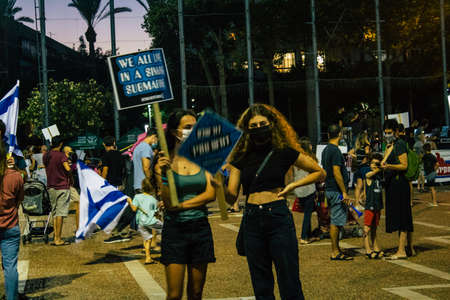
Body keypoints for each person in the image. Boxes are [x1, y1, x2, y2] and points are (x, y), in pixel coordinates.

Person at [225, 104, 326, 299]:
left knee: (289, 281)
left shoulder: (283, 150)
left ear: (272, 124)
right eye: (253, 126)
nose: (258, 128)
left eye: (263, 123)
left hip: (278, 216)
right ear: (246, 129)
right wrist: (217, 185)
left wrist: (293, 186)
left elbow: (320, 172)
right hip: (252, 219)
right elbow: (232, 196)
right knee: (261, 284)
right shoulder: (241, 155)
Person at [155, 108, 217, 300]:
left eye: (195, 127)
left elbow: (210, 194)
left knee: (196, 293)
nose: (193, 130)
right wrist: (162, 174)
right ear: (174, 132)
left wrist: (181, 206)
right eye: (188, 127)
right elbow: (167, 201)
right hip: (175, 231)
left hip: (200, 229)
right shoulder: (164, 161)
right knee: (174, 295)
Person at [381, 119, 414, 259]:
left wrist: (389, 166)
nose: (387, 134)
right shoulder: (391, 144)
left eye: (389, 132)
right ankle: (409, 248)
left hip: (399, 184)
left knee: (402, 217)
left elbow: (404, 165)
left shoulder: (399, 144)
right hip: (394, 185)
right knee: (404, 216)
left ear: (395, 132)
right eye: (385, 132)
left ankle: (401, 250)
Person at [322, 124, 353, 261]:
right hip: (336, 190)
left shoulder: (325, 150)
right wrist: (344, 192)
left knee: (336, 219)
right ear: (339, 134)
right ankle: (335, 251)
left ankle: (336, 249)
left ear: (328, 135)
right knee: (336, 221)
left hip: (330, 188)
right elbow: (337, 172)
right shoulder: (335, 150)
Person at [0, 144, 25, 300]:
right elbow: (19, 200)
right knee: (10, 266)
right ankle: (11, 297)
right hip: (9, 224)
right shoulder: (16, 176)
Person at [43, 136, 71, 246]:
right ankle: (58, 239)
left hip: (51, 186)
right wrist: (71, 166)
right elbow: (67, 169)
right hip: (62, 186)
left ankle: (56, 237)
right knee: (60, 213)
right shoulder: (61, 155)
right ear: (60, 144)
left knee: (55, 213)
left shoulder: (46, 155)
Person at [127, 177, 163, 265]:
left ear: (142, 187)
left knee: (147, 239)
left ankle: (148, 258)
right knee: (167, 231)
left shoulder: (137, 197)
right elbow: (156, 213)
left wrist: (129, 201)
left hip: (141, 223)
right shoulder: (154, 200)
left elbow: (134, 209)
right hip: (152, 222)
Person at [293, 137, 318, 245]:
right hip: (308, 189)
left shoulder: (295, 158)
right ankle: (304, 236)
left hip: (298, 189)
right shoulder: (310, 158)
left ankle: (309, 234)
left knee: (307, 211)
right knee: (308, 214)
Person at [363, 152, 384, 259]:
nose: (374, 165)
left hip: (377, 206)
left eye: (377, 163)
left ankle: (375, 247)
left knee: (375, 228)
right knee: (366, 228)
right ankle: (367, 249)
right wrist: (378, 168)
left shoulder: (379, 176)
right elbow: (368, 175)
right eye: (372, 163)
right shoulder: (369, 174)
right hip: (370, 206)